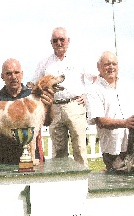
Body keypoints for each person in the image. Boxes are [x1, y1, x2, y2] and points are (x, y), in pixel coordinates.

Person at [31, 27, 92, 167]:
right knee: (58, 151)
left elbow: (95, 78)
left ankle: (84, 184)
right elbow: (34, 85)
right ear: (51, 43)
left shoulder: (80, 59)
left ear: (68, 41)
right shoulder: (44, 63)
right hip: (53, 108)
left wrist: (87, 94)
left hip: (74, 106)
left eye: (62, 39)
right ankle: (61, 185)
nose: (59, 43)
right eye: (55, 40)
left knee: (80, 149)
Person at [0, 58, 54, 164]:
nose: (13, 77)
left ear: (22, 74)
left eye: (16, 72)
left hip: (33, 157)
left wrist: (49, 107)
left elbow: (47, 122)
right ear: (2, 76)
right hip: (6, 158)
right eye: (8, 73)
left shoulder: (34, 95)